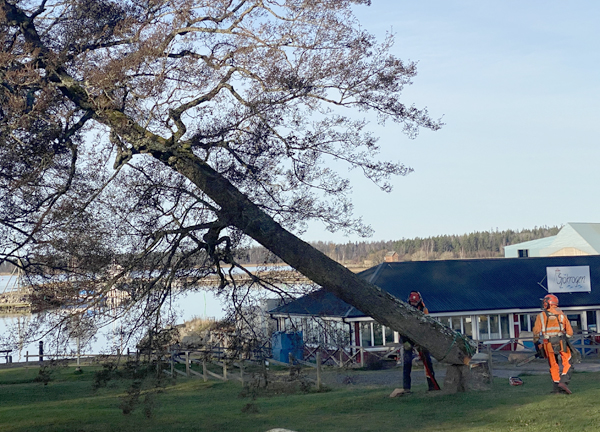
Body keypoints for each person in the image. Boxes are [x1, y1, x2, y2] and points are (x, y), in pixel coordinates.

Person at [533, 294, 574, 394]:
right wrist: (566, 339)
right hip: (561, 342)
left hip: (548, 344)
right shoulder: (562, 315)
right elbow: (570, 333)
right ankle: (563, 382)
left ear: (548, 303)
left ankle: (556, 389)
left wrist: (536, 343)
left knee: (553, 365)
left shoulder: (541, 316)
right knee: (568, 362)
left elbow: (536, 332)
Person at [400, 291, 439, 393]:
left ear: (419, 301)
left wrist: (423, 341)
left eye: (415, 302)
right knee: (407, 363)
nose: (413, 304)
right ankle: (406, 388)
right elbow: (401, 327)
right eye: (412, 302)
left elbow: (427, 326)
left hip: (421, 338)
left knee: (427, 362)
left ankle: (432, 385)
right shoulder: (404, 310)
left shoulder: (424, 310)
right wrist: (405, 342)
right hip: (408, 338)